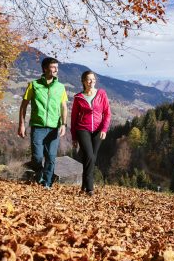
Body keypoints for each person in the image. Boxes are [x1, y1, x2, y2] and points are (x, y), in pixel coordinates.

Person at [17, 57, 68, 188]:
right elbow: (24, 105)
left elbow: (64, 107)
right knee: (37, 157)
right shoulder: (34, 85)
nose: (56, 70)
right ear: (45, 69)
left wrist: (63, 124)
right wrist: (21, 124)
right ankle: (39, 175)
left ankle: (47, 183)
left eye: (57, 67)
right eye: (53, 67)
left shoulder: (61, 87)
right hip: (37, 127)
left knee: (51, 157)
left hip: (54, 128)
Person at [71, 70, 111, 196]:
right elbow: (73, 118)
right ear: (83, 81)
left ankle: (83, 185)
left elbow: (107, 113)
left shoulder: (101, 94)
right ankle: (90, 188)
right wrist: (74, 137)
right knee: (89, 156)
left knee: (91, 158)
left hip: (98, 130)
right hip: (83, 129)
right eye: (89, 79)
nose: (91, 82)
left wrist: (104, 129)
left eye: (93, 79)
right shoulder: (78, 97)